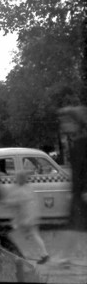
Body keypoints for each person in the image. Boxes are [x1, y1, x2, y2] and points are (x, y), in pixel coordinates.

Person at [55, 106, 87, 266]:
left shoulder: (82, 142)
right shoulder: (77, 141)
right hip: (79, 192)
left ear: (75, 122)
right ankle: (66, 255)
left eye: (65, 122)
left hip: (82, 193)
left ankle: (65, 256)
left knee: (74, 226)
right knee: (74, 225)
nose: (62, 125)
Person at [2, 171, 49, 264]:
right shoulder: (27, 188)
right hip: (31, 216)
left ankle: (19, 254)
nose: (15, 180)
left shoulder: (21, 190)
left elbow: (15, 202)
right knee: (33, 235)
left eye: (17, 178)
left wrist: (4, 203)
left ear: (20, 179)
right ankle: (42, 254)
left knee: (29, 234)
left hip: (27, 217)